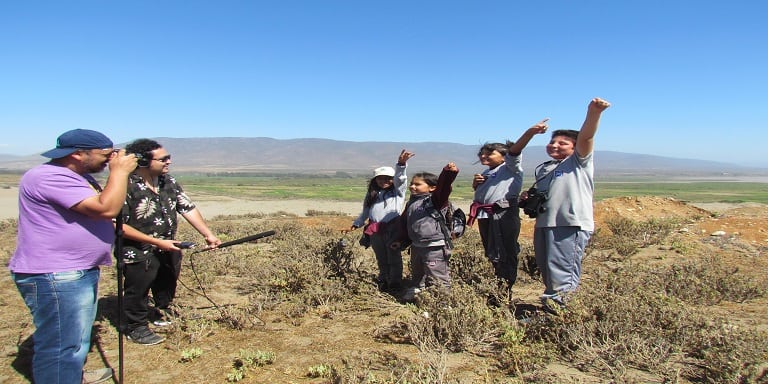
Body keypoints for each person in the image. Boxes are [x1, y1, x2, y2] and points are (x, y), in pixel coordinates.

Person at [9, 129, 137, 384]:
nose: (110, 159)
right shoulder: (49, 177)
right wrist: (120, 172)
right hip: (56, 274)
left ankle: (70, 375)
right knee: (61, 344)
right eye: (105, 154)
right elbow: (106, 208)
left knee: (75, 338)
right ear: (78, 154)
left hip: (71, 270)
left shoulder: (76, 176)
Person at [119, 139, 221, 345]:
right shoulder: (124, 185)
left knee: (167, 280)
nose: (169, 162)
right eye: (163, 159)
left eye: (169, 157)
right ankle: (135, 327)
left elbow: (187, 207)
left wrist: (208, 234)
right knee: (138, 288)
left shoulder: (168, 181)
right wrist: (153, 241)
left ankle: (161, 311)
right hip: (138, 250)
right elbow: (117, 225)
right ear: (143, 161)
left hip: (169, 245)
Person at [521, 98, 611, 311]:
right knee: (549, 269)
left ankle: (562, 316)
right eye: (552, 142)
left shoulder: (579, 162)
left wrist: (594, 113)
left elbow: (587, 136)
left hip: (569, 223)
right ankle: (551, 310)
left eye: (563, 143)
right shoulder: (545, 169)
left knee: (563, 271)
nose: (554, 145)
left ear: (575, 147)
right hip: (545, 224)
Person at [469, 119, 549, 293]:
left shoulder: (510, 168)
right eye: (481, 154)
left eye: (489, 153)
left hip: (502, 215)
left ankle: (505, 289)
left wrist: (529, 133)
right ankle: (498, 286)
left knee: (504, 252)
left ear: (503, 156)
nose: (483, 156)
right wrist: (476, 185)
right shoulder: (487, 171)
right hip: (487, 216)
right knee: (492, 252)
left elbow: (515, 152)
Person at [393, 162, 459, 301]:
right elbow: (405, 224)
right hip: (417, 246)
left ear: (432, 188)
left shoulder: (436, 201)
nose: (412, 186)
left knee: (437, 275)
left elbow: (444, 187)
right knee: (418, 273)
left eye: (417, 184)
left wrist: (448, 173)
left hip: (434, 245)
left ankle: (442, 301)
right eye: (412, 183)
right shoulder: (411, 203)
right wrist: (400, 240)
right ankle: (418, 293)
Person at [351, 149, 414, 292]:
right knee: (381, 256)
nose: (384, 181)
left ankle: (395, 282)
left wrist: (401, 164)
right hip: (374, 230)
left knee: (394, 257)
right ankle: (384, 279)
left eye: (388, 178)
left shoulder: (398, 192)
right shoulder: (372, 194)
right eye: (380, 178)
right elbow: (366, 211)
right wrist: (357, 223)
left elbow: (401, 179)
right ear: (375, 180)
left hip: (393, 229)